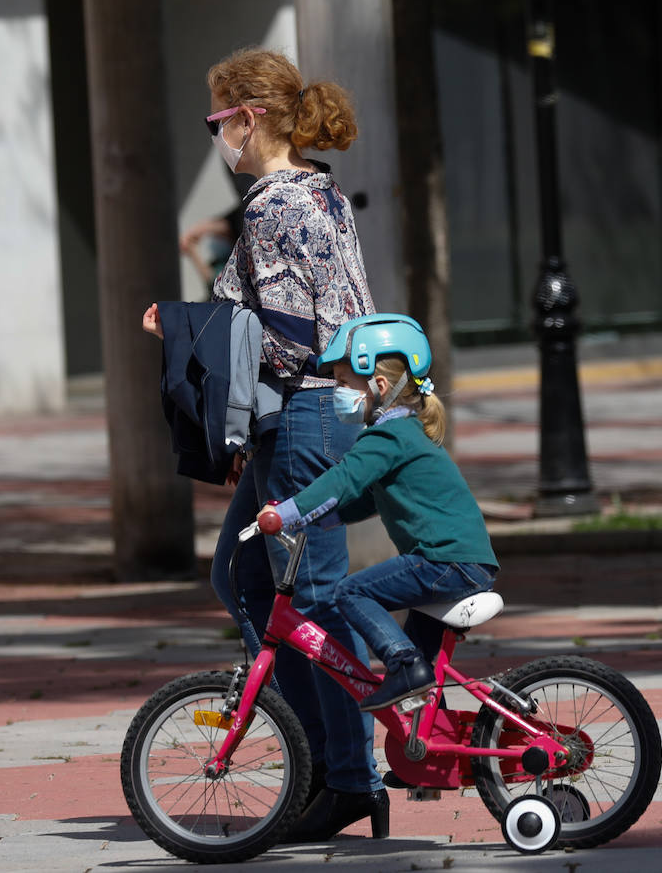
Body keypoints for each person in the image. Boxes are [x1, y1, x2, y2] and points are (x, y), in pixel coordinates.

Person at [142, 46, 384, 841]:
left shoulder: (273, 206)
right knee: (245, 575)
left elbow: (288, 338)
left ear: (249, 118)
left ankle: (345, 777)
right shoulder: (321, 190)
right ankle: (317, 754)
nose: (217, 135)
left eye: (218, 120)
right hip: (312, 416)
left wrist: (185, 327)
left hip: (308, 416)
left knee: (307, 601)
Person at [259, 313, 498, 716]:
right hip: (460, 562)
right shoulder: (405, 433)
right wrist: (322, 518)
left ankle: (403, 664)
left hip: (444, 561)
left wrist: (286, 513)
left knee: (350, 593)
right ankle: (429, 758)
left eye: (342, 383)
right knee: (422, 689)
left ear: (379, 385)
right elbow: (368, 498)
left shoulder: (386, 436)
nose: (338, 392)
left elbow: (343, 479)